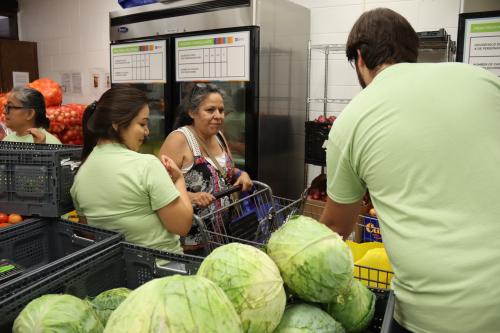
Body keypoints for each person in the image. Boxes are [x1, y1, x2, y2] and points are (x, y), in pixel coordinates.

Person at [319, 8, 500, 333]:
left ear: (360, 58)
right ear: (411, 50)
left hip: (434, 314)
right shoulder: (481, 79)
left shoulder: (352, 120)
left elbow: (335, 227)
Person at [71, 85, 192, 253]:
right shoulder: (147, 165)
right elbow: (182, 226)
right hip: (163, 268)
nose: (147, 131)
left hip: (115, 270)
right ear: (116, 124)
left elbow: (88, 233)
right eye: (142, 123)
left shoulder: (81, 174)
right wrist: (179, 180)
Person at [159, 83, 252, 253]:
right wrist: (192, 197)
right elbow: (159, 190)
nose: (218, 116)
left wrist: (242, 174)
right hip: (192, 242)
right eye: (210, 110)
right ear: (192, 112)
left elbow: (227, 172)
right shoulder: (179, 140)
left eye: (221, 110)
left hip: (223, 235)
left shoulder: (219, 137)